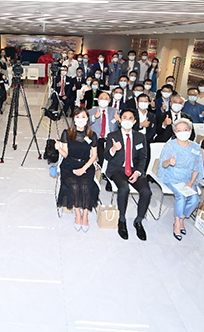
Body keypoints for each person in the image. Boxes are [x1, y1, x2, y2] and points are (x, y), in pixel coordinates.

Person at [104, 109, 151, 240]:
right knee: (124, 189)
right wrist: (114, 149)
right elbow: (106, 156)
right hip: (117, 170)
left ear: (134, 121)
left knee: (146, 192)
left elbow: (143, 157)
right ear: (120, 120)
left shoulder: (140, 137)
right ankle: (122, 220)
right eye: (125, 117)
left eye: (130, 118)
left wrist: (138, 172)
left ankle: (138, 221)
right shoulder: (112, 135)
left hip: (134, 170)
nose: (127, 120)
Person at [157, 118, 204, 241]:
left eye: (185, 129)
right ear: (175, 132)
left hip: (188, 178)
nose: (183, 132)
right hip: (172, 176)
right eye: (179, 130)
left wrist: (191, 182)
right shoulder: (170, 145)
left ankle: (182, 217)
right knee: (181, 196)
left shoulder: (196, 147)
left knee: (195, 199)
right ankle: (177, 222)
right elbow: (163, 164)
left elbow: (197, 167)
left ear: (190, 130)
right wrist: (169, 162)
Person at [55, 108, 98, 231]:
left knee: (85, 185)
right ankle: (78, 213)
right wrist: (58, 148)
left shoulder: (92, 135)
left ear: (87, 119)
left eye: (83, 117)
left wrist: (84, 169)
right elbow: (65, 154)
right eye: (77, 117)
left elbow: (94, 155)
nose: (80, 120)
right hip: (69, 164)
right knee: (74, 185)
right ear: (73, 119)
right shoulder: (67, 133)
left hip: (86, 164)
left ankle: (85, 215)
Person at [89, 92, 118, 166]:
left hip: (111, 137)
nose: (103, 100)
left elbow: (121, 126)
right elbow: (86, 124)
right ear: (98, 100)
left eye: (106, 99)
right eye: (101, 98)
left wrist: (119, 120)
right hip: (97, 138)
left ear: (109, 101)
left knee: (112, 156)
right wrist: (94, 117)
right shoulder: (91, 111)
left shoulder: (115, 111)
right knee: (101, 156)